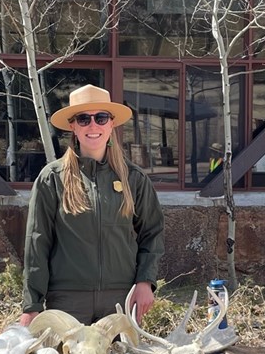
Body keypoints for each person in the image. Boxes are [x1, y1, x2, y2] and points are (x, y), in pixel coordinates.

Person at [20, 84, 164, 327]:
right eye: (84, 119)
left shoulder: (134, 179)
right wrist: (32, 305)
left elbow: (152, 233)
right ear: (73, 127)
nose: (93, 125)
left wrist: (145, 282)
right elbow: (37, 243)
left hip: (120, 302)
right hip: (67, 303)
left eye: (101, 117)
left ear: (111, 124)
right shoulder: (52, 178)